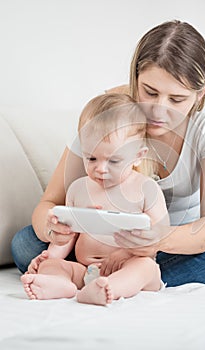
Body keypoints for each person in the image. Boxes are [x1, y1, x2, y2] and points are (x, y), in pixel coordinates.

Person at [12, 20, 205, 286]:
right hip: (101, 247)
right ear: (135, 78)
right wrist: (54, 229)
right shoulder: (107, 111)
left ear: (201, 93)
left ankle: (107, 276)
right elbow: (48, 203)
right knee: (25, 243)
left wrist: (156, 239)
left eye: (176, 99)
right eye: (149, 92)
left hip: (177, 243)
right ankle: (125, 278)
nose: (159, 111)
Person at [21, 93, 169, 305]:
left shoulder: (147, 189)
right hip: (85, 270)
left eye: (114, 160)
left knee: (145, 268)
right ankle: (58, 283)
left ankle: (112, 288)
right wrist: (51, 254)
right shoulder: (78, 189)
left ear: (138, 156)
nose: (100, 169)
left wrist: (127, 251)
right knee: (52, 265)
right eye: (91, 158)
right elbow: (68, 236)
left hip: (128, 264)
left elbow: (159, 237)